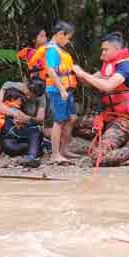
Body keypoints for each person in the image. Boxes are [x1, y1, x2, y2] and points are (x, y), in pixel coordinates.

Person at [73, 31, 129, 167]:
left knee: (97, 158)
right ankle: (107, 139)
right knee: (72, 123)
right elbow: (87, 81)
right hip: (108, 118)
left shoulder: (126, 66)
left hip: (125, 121)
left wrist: (82, 73)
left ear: (116, 49)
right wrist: (73, 70)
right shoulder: (108, 66)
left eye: (105, 50)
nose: (102, 53)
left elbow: (108, 86)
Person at [30, 20, 77, 165]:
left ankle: (64, 150)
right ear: (60, 34)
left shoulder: (59, 48)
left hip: (66, 89)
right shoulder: (51, 50)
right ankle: (55, 154)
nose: (69, 41)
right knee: (59, 121)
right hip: (57, 90)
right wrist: (62, 90)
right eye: (68, 38)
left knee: (72, 118)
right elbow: (50, 70)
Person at [0, 77, 47, 167]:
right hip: (11, 130)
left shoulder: (41, 96)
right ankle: (35, 148)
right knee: (9, 147)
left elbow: (40, 119)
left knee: (36, 132)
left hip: (28, 130)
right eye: (28, 93)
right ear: (25, 84)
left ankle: (32, 158)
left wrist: (26, 118)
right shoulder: (9, 86)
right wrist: (15, 113)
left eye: (32, 97)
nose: (28, 97)